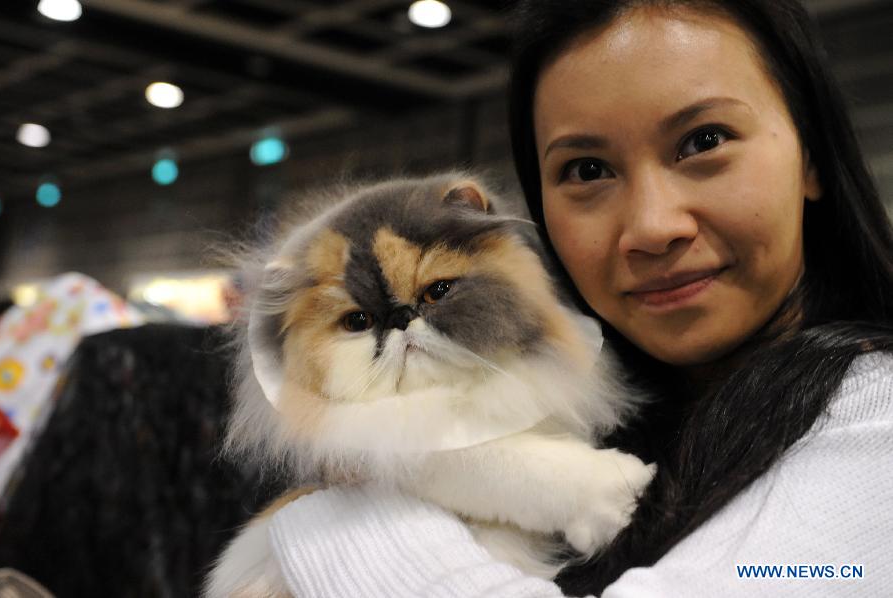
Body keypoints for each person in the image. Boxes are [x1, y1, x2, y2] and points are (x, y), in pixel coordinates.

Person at [264, 1, 893, 596]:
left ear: (810, 153)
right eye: (587, 170)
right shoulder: (603, 404)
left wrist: (342, 515)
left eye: (705, 141)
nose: (652, 227)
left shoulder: (876, 429)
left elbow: (801, 574)